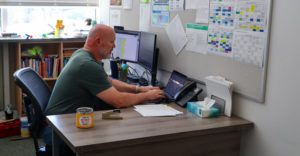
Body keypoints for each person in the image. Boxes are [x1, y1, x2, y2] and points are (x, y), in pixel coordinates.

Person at [41, 24, 165, 154]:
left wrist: (140, 89)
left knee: (119, 122)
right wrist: (147, 96)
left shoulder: (81, 54)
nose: (114, 46)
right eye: (112, 42)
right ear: (98, 40)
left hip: (63, 120)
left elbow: (109, 81)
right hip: (62, 128)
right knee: (123, 130)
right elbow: (119, 101)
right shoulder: (87, 65)